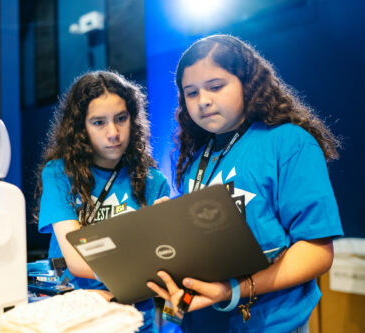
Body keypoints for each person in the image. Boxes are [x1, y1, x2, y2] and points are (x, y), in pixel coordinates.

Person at [146, 34, 343, 332]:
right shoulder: (199, 157)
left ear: (247, 83)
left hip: (270, 324)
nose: (204, 101)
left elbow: (317, 251)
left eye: (215, 86)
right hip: (204, 322)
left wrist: (235, 289)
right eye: (191, 92)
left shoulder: (289, 142)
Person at [36, 70, 170, 332]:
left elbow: (161, 263)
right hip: (76, 317)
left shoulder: (153, 181)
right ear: (80, 128)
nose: (113, 133)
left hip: (135, 320)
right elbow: (75, 260)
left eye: (121, 118)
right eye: (98, 122)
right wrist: (137, 269)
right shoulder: (59, 173)